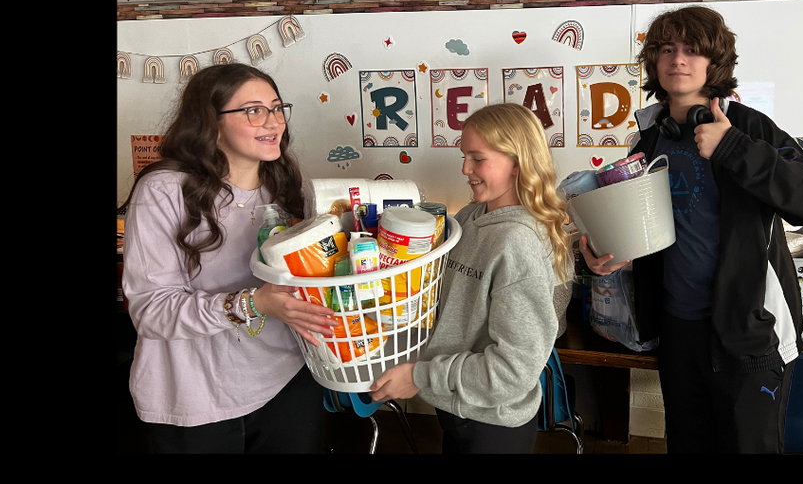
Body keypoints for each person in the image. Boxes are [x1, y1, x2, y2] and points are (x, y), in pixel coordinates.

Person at [579, 6, 803, 454]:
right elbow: (653, 232)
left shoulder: (749, 127)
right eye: (666, 49)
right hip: (678, 330)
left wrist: (734, 148)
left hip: (749, 333)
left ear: (714, 62)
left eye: (692, 50)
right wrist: (614, 257)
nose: (677, 59)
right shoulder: (649, 139)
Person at [121, 63, 340, 453]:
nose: (273, 121)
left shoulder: (287, 187)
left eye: (276, 108)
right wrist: (254, 304)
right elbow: (152, 311)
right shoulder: (165, 190)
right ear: (211, 121)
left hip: (286, 380)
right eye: (253, 110)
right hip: (197, 395)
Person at [369, 104, 573, 453]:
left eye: (478, 158)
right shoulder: (470, 216)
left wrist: (419, 376)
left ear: (518, 161)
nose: (465, 169)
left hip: (492, 424)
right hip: (458, 407)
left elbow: (512, 371)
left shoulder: (517, 241)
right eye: (465, 156)